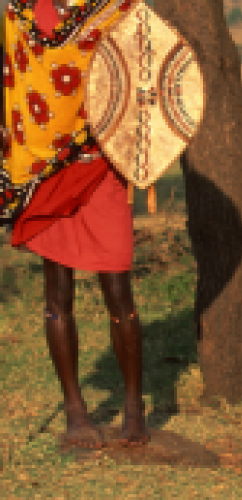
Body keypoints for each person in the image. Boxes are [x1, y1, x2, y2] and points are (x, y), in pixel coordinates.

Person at [1, 0, 147, 448]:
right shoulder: (19, 13)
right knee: (57, 291)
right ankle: (75, 410)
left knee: (118, 288)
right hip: (44, 170)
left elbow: (140, 69)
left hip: (101, 163)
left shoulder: (116, 8)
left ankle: (134, 404)